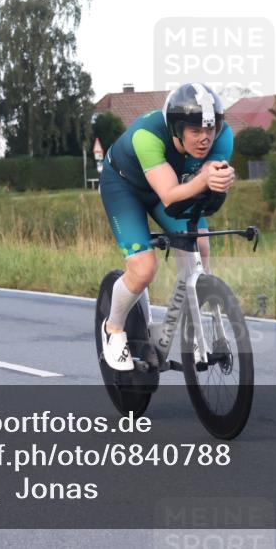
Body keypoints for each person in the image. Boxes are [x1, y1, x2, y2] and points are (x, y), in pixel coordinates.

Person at [98, 82, 236, 370]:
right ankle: (113, 328)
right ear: (177, 129)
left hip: (170, 186)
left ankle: (197, 328)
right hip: (125, 188)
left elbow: (203, 195)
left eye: (209, 130)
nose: (205, 139)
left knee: (199, 243)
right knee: (144, 268)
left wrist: (219, 185)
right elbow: (170, 195)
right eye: (195, 131)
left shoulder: (224, 138)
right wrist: (203, 181)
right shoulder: (147, 136)